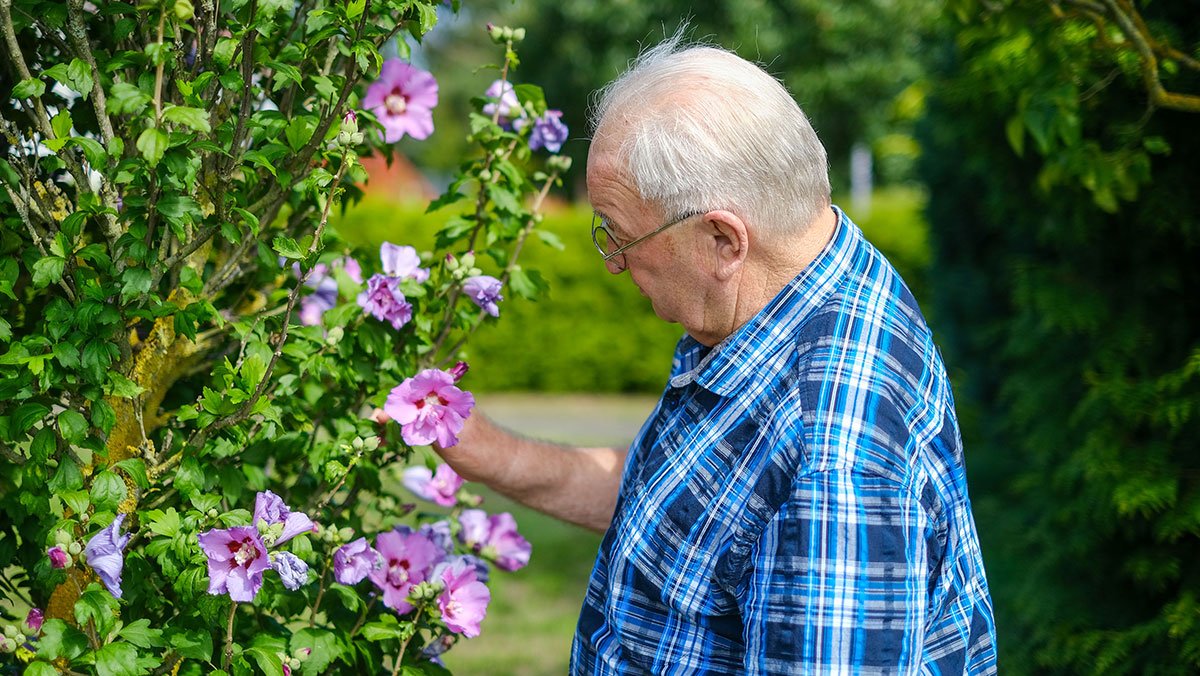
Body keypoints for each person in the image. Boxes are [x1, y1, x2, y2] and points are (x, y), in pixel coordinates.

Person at [435, 35, 998, 674]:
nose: (614, 264)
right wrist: (486, 453)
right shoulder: (780, 296)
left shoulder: (832, 452)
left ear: (723, 239)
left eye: (620, 235)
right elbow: (688, 509)